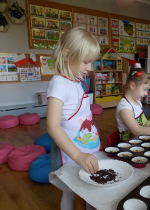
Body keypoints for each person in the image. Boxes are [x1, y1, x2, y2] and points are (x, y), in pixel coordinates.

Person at [46, 28, 100, 210]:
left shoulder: (77, 81)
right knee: (70, 191)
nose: (89, 68)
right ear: (67, 55)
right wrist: (78, 156)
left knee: (90, 187)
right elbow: (53, 127)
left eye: (91, 62)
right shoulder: (59, 84)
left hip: (86, 147)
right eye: (86, 62)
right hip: (70, 154)